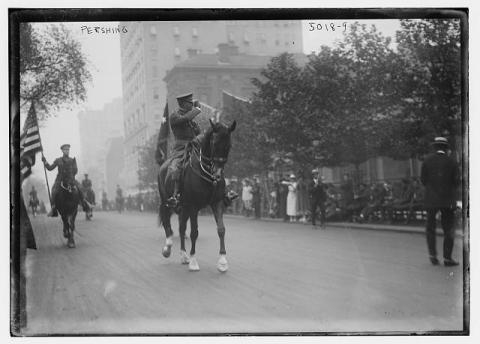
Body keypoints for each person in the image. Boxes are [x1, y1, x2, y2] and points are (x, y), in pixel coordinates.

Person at [421, 137, 461, 266]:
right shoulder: (452, 162)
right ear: (446, 148)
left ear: (434, 147)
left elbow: (423, 180)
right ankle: (447, 258)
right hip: (447, 200)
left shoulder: (426, 160)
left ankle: (433, 255)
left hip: (431, 199)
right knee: (448, 229)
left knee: (430, 228)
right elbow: (456, 182)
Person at [42, 144, 89, 217]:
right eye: (65, 150)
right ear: (62, 151)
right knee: (54, 190)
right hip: (60, 179)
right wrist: (45, 162)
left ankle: (84, 203)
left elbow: (75, 171)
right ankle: (54, 208)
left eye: (68, 150)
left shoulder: (72, 160)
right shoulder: (58, 160)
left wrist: (72, 172)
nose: (67, 151)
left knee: (79, 188)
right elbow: (50, 168)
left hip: (70, 179)